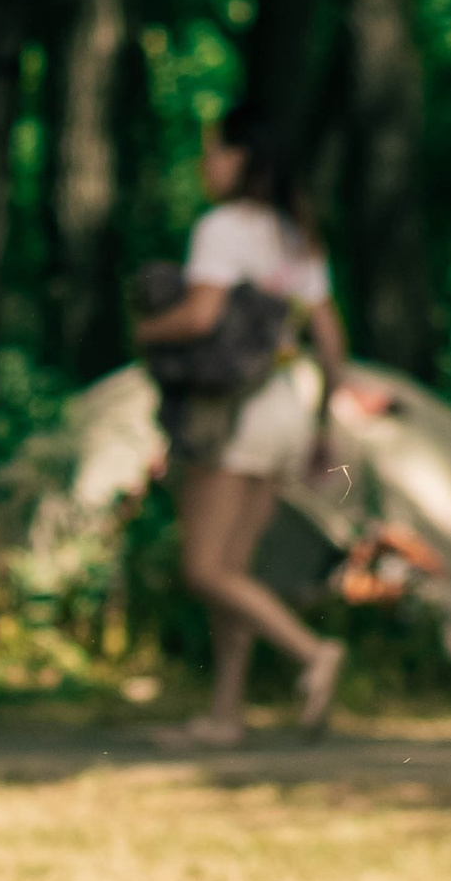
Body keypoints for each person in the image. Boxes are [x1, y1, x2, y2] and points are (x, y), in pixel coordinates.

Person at [136, 105, 382, 743]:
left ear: (242, 159)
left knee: (203, 570)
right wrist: (325, 426)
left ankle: (310, 654)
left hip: (234, 415)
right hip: (287, 410)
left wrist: (142, 331)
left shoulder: (223, 228)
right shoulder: (295, 234)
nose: (205, 164)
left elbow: (198, 316)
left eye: (214, 151)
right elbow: (330, 341)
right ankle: (225, 714)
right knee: (234, 573)